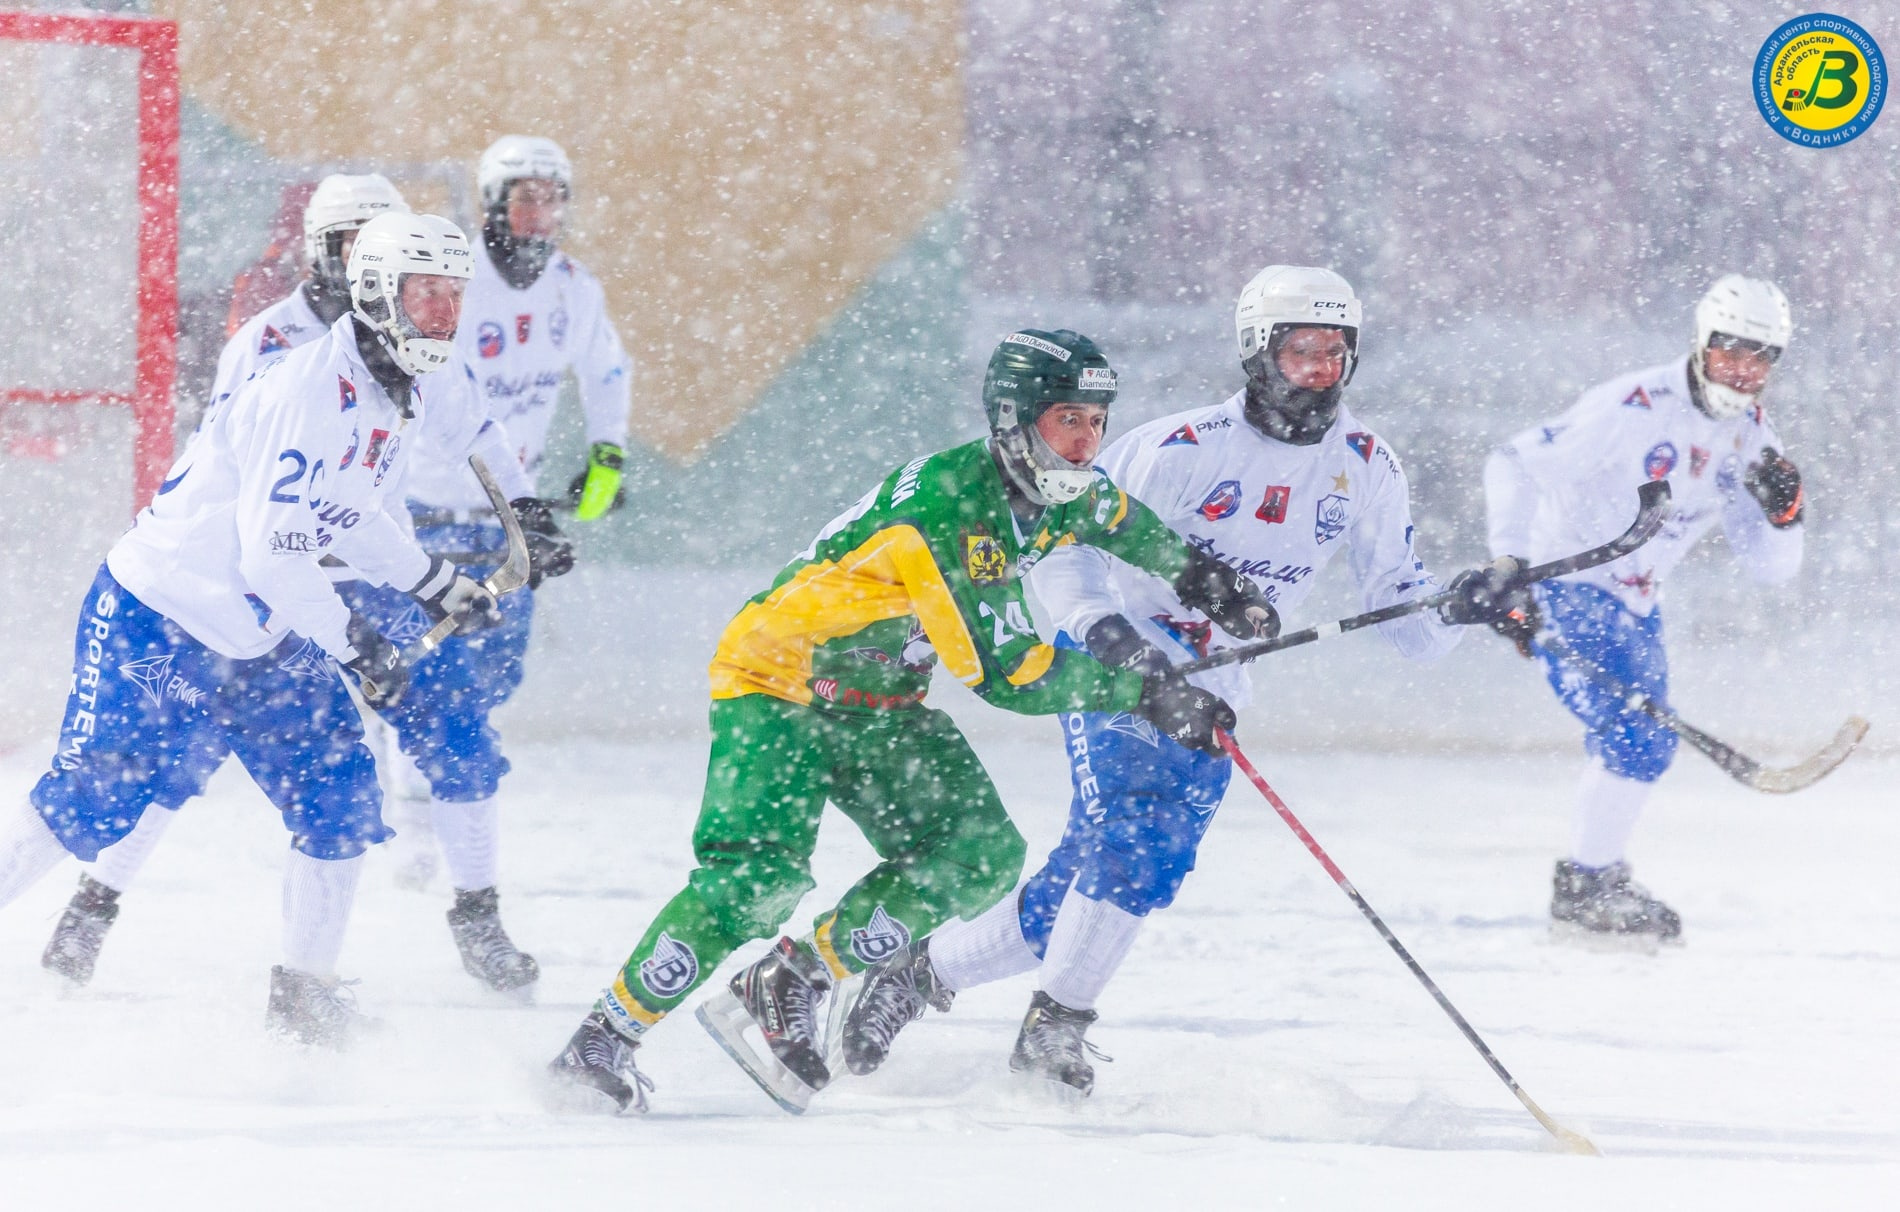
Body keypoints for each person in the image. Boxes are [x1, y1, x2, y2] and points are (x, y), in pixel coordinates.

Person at [544, 328, 1278, 1115]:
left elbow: (1125, 520)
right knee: (758, 879)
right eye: (1070, 419)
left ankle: (793, 978)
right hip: (778, 685)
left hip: (883, 701)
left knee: (979, 854)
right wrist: (1147, 694)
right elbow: (1012, 674)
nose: (1087, 441)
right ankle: (602, 1040)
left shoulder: (1062, 485)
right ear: (1013, 419)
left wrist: (1210, 582)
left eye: (1099, 420)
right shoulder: (950, 511)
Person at [834, 265, 1524, 1097]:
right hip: (1115, 667)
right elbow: (1061, 556)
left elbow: (1405, 621)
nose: (1320, 370)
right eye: (1301, 349)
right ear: (1256, 352)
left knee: (1093, 880)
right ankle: (1056, 1026)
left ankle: (917, 973)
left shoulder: (1369, 463)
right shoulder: (1179, 449)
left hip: (1218, 692)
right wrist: (1123, 647)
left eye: (1337, 352)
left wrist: (1463, 604)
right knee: (1139, 835)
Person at [37, 179, 573, 998]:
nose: (443, 311)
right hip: (184, 607)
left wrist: (439, 580)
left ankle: (309, 997)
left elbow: (350, 506)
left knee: (343, 801)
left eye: (453, 293)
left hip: (285, 611)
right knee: (104, 795)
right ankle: (94, 902)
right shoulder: (295, 373)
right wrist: (358, 645)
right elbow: (272, 551)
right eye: (422, 289)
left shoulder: (404, 372)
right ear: (367, 281)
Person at [1479, 274, 1803, 945]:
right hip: (1567, 589)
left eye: (1760, 357)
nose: (1742, 370)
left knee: (1642, 747)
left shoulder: (1752, 438)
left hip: (1637, 605)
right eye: (1730, 350)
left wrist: (1783, 514)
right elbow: (1511, 463)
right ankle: (1588, 882)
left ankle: (1594, 876)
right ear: (1702, 342)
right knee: (1639, 737)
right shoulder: (1632, 406)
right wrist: (1508, 564)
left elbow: (1772, 569)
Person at [368, 135, 632, 933]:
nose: (541, 215)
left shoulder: (573, 289)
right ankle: (414, 830)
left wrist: (607, 452)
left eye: (554, 199)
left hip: (510, 518)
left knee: (487, 684)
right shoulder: (453, 281)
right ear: (491, 204)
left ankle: (437, 807)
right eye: (525, 198)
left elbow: (608, 369)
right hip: (424, 508)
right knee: (417, 673)